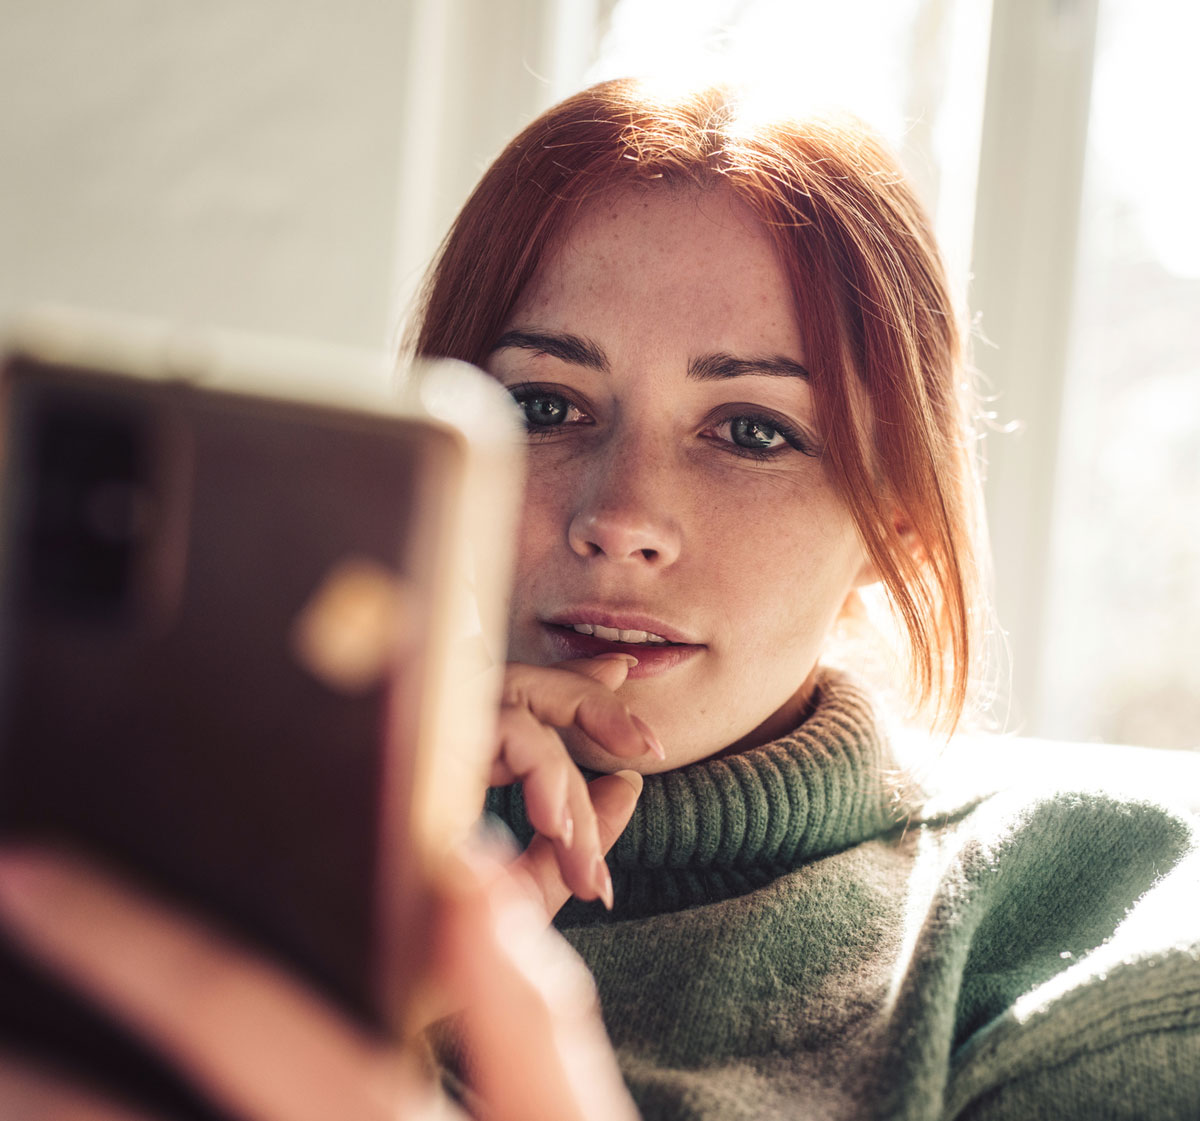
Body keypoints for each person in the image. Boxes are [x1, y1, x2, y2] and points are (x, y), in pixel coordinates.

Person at [2, 77, 1198, 1120]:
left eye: (750, 429)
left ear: (893, 520)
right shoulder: (186, 833)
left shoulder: (1098, 924)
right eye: (543, 405)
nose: (621, 516)